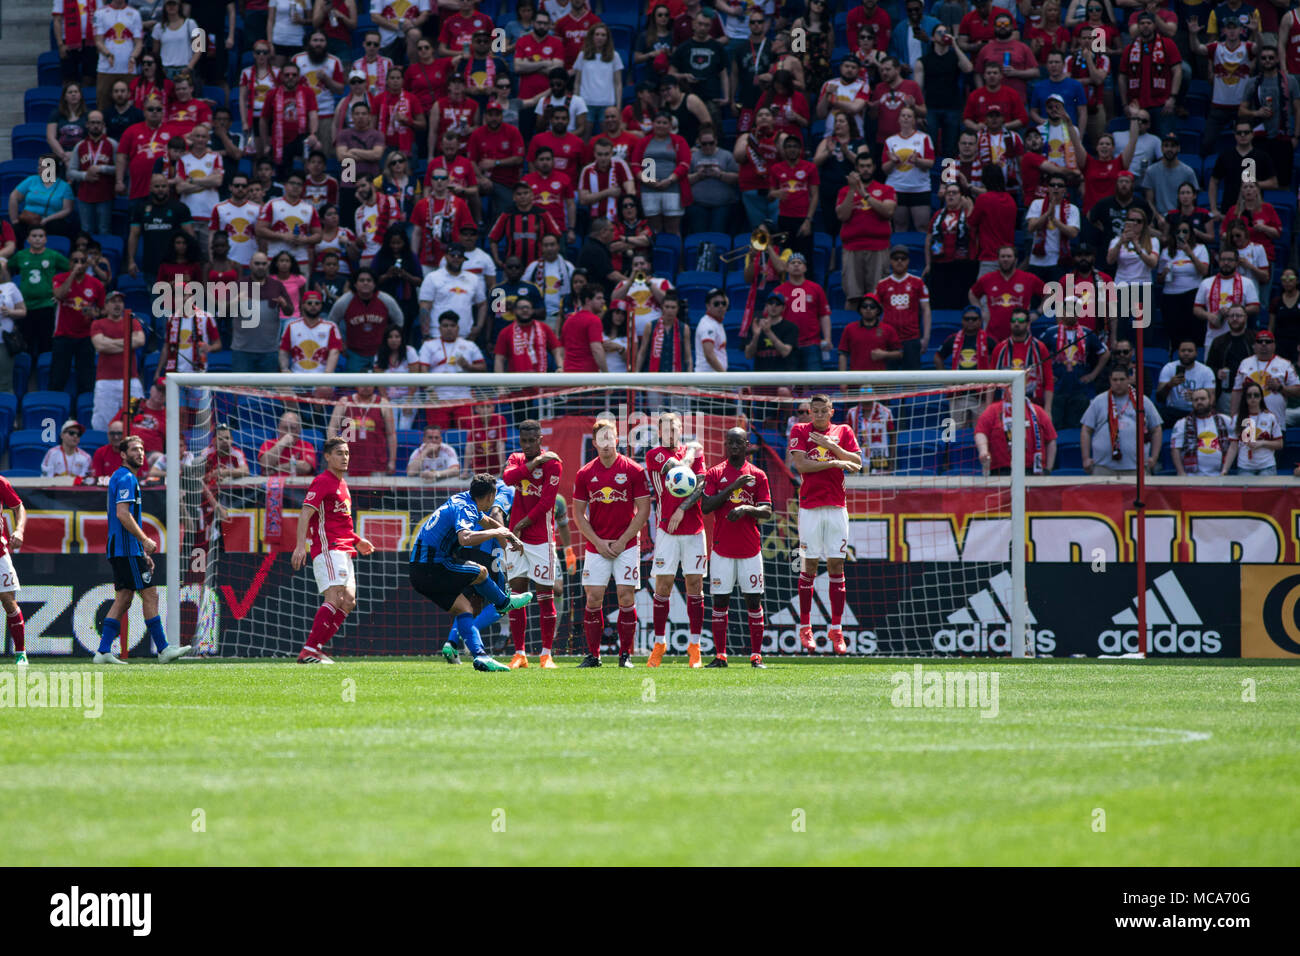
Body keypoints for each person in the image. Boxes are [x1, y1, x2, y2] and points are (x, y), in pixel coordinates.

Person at [96, 435, 192, 665]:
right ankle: (163, 649)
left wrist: (142, 551)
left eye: (141, 449)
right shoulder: (126, 478)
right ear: (122, 454)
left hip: (124, 548)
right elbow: (122, 514)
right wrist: (144, 540)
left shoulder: (123, 477)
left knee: (124, 598)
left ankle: (103, 652)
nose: (139, 453)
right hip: (126, 547)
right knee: (150, 594)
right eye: (134, 450)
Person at [571, 417, 652, 668]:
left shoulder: (633, 470)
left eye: (610, 438)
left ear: (617, 439)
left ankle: (624, 655)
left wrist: (622, 541)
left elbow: (643, 511)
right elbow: (577, 514)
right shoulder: (585, 473)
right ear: (594, 443)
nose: (606, 444)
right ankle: (594, 656)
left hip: (626, 546)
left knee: (626, 597)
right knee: (593, 598)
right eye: (601, 439)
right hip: (597, 547)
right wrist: (598, 542)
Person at [288, 438, 375, 664]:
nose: (344, 457)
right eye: (339, 453)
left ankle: (315, 649)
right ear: (327, 457)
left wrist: (357, 540)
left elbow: (342, 523)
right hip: (328, 548)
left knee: (348, 601)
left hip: (345, 548)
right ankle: (309, 650)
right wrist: (300, 546)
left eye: (346, 453)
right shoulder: (322, 481)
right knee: (335, 595)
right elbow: (305, 514)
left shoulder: (343, 484)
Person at [789, 393, 862, 655]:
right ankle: (806, 627)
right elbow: (801, 465)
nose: (818, 415)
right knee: (809, 565)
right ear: (809, 412)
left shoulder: (843, 430)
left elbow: (858, 463)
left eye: (823, 411)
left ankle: (836, 629)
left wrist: (835, 448)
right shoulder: (800, 430)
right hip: (810, 507)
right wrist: (833, 462)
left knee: (836, 565)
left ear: (831, 411)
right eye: (814, 411)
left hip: (836, 508)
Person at [699, 426, 772, 669]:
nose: (733, 447)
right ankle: (720, 656)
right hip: (721, 550)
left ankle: (756, 656)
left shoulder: (758, 475)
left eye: (738, 443)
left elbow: (767, 510)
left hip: (750, 550)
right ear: (725, 444)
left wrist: (745, 509)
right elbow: (706, 506)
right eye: (729, 442)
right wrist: (732, 487)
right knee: (720, 604)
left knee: (754, 603)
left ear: (746, 444)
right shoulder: (714, 473)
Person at [643, 414, 708, 668]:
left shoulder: (693, 452)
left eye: (675, 428)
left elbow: (700, 484)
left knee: (695, 585)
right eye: (666, 429)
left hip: (693, 529)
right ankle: (659, 644)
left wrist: (682, 509)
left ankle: (695, 647)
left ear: (681, 429)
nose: (671, 433)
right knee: (663, 586)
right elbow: (679, 470)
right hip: (666, 530)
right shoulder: (655, 455)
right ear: (659, 433)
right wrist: (692, 450)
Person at [499, 421, 564, 669]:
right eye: (523, 441)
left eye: (531, 441)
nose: (526, 446)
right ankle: (520, 653)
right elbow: (507, 478)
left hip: (540, 540)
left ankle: (546, 654)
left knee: (545, 598)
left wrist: (520, 525)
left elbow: (547, 503)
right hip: (516, 540)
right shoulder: (516, 459)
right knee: (517, 595)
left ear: (540, 439)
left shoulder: (554, 464)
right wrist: (534, 463)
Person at [837, 150, 895, 307]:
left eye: (868, 166)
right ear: (856, 168)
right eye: (862, 166)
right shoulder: (844, 191)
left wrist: (865, 195)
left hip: (879, 249)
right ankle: (851, 330)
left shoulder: (886, 190)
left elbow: (888, 212)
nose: (866, 170)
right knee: (852, 297)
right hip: (852, 249)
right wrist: (851, 190)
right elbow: (842, 216)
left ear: (874, 167)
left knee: (877, 297)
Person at [1080, 366, 1162, 476]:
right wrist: (1085, 458)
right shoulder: (1098, 401)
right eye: (1115, 380)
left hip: (1136, 468)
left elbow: (1156, 429)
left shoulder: (1142, 401)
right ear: (1110, 380)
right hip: (1103, 468)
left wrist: (1154, 457)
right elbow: (1086, 429)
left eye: (1122, 379)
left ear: (1129, 379)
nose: (1118, 383)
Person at [1039, 304, 1110, 429]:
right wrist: (1046, 375)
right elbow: (1037, 354)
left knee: (1077, 427)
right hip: (1057, 388)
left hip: (1079, 389)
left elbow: (1105, 353)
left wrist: (1092, 375)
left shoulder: (1087, 333)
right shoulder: (1051, 332)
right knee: (1055, 428)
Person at [90, 291, 145, 431]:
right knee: (103, 421)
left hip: (131, 379)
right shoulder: (98, 323)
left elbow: (140, 340)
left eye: (120, 301)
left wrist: (111, 343)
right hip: (106, 381)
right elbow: (100, 345)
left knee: (137, 416)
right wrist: (128, 343)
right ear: (106, 306)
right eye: (113, 301)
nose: (117, 304)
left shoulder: (132, 321)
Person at [936, 307, 995, 427]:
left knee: (981, 431)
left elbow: (998, 360)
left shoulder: (989, 340)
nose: (970, 322)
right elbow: (937, 357)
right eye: (967, 319)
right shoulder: (953, 339)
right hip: (959, 394)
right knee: (957, 432)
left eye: (974, 319)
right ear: (962, 320)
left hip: (980, 395)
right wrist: (946, 381)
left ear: (980, 321)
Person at [974, 395, 1057, 476]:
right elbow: (981, 432)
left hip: (1032, 471)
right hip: (1001, 471)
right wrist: (983, 450)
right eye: (1010, 386)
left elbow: (1051, 440)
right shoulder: (993, 410)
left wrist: (1048, 469)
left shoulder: (1037, 411)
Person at [1230, 330, 1300, 422]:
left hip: (1276, 422)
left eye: (1268, 341)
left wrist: (1280, 388)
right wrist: (1233, 417)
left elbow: (1298, 390)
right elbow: (1237, 392)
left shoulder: (1285, 364)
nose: (1263, 344)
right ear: (1254, 345)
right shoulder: (1245, 363)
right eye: (1259, 341)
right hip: (1248, 421)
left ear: (1274, 345)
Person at [993, 310, 1055, 413]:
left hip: (1034, 404)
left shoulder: (1040, 348)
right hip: (1005, 405)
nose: (1016, 323)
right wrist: (988, 406)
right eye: (1013, 320)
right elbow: (991, 381)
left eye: (1021, 321)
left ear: (1028, 324)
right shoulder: (1000, 348)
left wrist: (1048, 409)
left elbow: (1048, 380)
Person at [1170, 387, 1237, 477]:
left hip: (1219, 475)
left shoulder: (1225, 420)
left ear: (1210, 400)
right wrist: (1181, 473)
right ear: (1192, 403)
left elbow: (1236, 441)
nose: (1199, 402)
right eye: (1196, 400)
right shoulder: (1182, 423)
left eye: (1203, 399)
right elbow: (1175, 449)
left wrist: (1225, 470)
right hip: (1192, 477)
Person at [0, 474, 28, 665]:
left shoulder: (1, 482)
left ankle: (21, 653)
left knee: (9, 602)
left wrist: (19, 530)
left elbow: (18, 507)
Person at [1157, 340, 1217, 428]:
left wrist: (1196, 396)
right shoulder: (1169, 368)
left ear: (1196, 353)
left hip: (1196, 411)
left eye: (1190, 351)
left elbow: (1211, 400)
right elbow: (1159, 398)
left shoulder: (1206, 371)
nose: (1186, 353)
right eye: (1183, 350)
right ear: (1178, 352)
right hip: (1173, 411)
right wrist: (1169, 385)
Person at [1233, 381, 1283, 475]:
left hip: (1267, 466)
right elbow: (1233, 446)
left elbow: (1280, 444)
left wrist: (1262, 443)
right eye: (1249, 395)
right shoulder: (1237, 418)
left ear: (1261, 397)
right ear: (1245, 398)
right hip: (1245, 466)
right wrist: (1225, 470)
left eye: (1256, 395)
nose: (1253, 398)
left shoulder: (1270, 417)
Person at [745, 291, 800, 372]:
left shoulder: (791, 327)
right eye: (771, 303)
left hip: (782, 377)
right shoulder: (756, 326)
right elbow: (748, 355)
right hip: (761, 378)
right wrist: (756, 336)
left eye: (778, 304)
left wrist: (768, 332)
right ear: (766, 306)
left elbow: (785, 352)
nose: (774, 306)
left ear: (783, 308)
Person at [259, 410, 317, 476]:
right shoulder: (268, 443)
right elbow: (265, 463)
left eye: (292, 428)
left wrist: (277, 468)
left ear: (299, 430)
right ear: (279, 428)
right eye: (285, 428)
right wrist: (283, 442)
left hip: (298, 484)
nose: (289, 431)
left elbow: (305, 467)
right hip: (273, 484)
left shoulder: (307, 445)